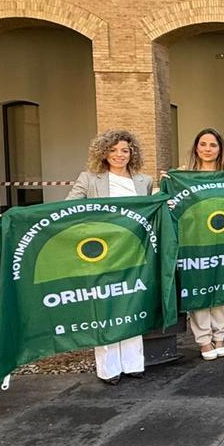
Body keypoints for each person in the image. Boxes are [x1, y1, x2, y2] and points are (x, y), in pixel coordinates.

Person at [67, 129, 153, 385]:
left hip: (133, 251)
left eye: (124, 150)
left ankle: (134, 363)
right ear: (104, 152)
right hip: (101, 252)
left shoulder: (143, 181)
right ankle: (109, 368)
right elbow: (69, 207)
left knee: (131, 303)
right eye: (114, 150)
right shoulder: (90, 179)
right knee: (104, 305)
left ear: (132, 153)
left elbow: (149, 212)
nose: (119, 155)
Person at [172, 128, 224, 362]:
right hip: (194, 241)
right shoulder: (182, 175)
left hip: (222, 240)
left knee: (221, 288)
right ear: (196, 148)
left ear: (220, 149)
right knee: (198, 289)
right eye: (203, 144)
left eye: (213, 145)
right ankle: (203, 340)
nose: (207, 149)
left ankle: (220, 336)